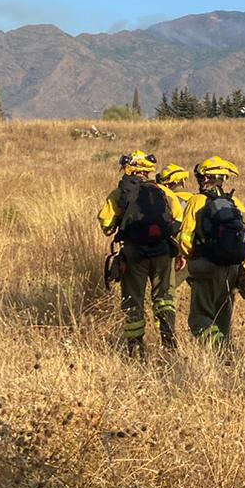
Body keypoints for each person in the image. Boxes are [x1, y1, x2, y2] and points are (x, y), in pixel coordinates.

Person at [98, 151, 184, 358]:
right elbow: (179, 221)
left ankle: (136, 349)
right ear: (148, 170)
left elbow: (106, 225)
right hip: (163, 253)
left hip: (134, 255)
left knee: (133, 301)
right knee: (164, 298)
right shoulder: (164, 191)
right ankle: (169, 342)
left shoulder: (119, 193)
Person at [178, 156, 245, 350]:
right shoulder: (236, 203)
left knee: (199, 319)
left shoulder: (196, 201)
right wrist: (242, 270)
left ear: (205, 178)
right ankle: (225, 357)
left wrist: (192, 259)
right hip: (233, 269)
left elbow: (185, 238)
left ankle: (219, 348)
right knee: (222, 320)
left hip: (206, 266)